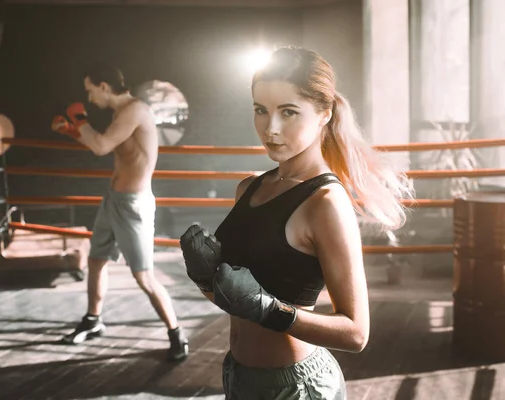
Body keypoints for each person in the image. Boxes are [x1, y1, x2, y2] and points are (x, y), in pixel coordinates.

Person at [180, 47, 411, 398]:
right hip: (238, 376)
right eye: (261, 110)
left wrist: (269, 309)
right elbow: (239, 303)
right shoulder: (250, 186)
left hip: (297, 387)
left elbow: (356, 334)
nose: (270, 128)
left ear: (324, 114)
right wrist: (204, 278)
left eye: (289, 112)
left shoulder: (325, 203)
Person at [52, 64, 189, 362]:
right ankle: (93, 320)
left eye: (90, 90)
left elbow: (100, 146)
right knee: (96, 260)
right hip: (113, 200)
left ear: (104, 86)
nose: (89, 98)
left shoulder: (136, 111)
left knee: (144, 277)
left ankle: (177, 333)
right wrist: (72, 132)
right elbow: (112, 148)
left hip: (133, 206)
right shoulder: (121, 114)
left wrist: (78, 120)